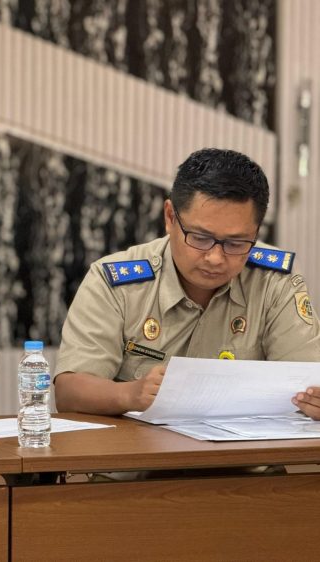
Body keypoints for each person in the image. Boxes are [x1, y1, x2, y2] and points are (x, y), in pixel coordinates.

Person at [54, 148, 320, 418]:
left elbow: (307, 381)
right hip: (141, 455)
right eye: (200, 238)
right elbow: (68, 391)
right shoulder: (116, 282)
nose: (215, 257)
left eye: (236, 243)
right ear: (170, 217)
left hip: (245, 457)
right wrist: (130, 394)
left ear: (256, 232)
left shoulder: (274, 281)